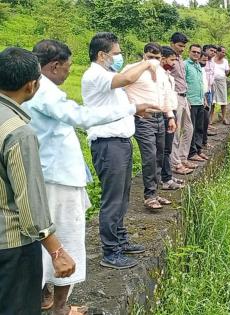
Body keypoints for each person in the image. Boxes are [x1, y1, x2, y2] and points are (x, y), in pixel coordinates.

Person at [22, 39, 156, 314]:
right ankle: (61, 306)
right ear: (54, 65)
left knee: (44, 236)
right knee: (67, 238)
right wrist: (132, 108)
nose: (69, 72)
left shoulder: (33, 88)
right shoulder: (45, 91)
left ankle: (44, 296)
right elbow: (81, 117)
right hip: (58, 177)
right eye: (67, 66)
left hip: (51, 171)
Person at [0, 47, 75, 315]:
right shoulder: (18, 132)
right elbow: (29, 200)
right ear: (32, 85)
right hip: (11, 245)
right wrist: (56, 252)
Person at [81, 32, 159, 269]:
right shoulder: (94, 75)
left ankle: (120, 240)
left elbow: (115, 106)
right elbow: (126, 80)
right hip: (108, 144)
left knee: (122, 196)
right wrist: (147, 62)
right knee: (113, 199)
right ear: (102, 54)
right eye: (116, 53)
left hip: (121, 142)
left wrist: (136, 109)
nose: (119, 57)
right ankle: (110, 251)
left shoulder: (108, 74)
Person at [123, 43, 177, 210]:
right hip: (143, 119)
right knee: (150, 156)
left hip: (159, 117)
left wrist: (170, 116)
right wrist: (131, 109)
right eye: (150, 57)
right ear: (144, 55)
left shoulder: (162, 73)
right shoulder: (133, 69)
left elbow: (166, 95)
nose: (153, 61)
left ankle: (155, 192)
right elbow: (119, 88)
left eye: (156, 58)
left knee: (159, 155)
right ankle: (149, 196)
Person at [169, 32, 196, 175]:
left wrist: (187, 99)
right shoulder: (168, 59)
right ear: (172, 43)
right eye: (180, 46)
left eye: (184, 46)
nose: (182, 49)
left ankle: (182, 157)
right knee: (176, 131)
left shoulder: (180, 58)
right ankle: (175, 163)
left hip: (184, 97)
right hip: (174, 97)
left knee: (188, 128)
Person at [160, 46, 187, 189]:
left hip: (171, 112)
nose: (173, 63)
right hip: (165, 114)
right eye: (171, 60)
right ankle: (166, 179)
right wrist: (169, 115)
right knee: (164, 148)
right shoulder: (158, 76)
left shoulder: (168, 75)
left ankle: (168, 176)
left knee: (167, 147)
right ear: (163, 59)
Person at [185, 44, 208, 162]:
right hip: (191, 102)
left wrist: (204, 98)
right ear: (189, 52)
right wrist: (186, 99)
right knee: (191, 128)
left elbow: (200, 83)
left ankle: (198, 150)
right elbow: (182, 83)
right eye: (193, 52)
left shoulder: (198, 65)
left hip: (199, 101)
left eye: (198, 53)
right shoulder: (185, 65)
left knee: (200, 127)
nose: (196, 54)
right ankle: (191, 152)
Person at [211, 46, 230, 125]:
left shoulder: (225, 61)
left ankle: (224, 118)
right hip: (212, 82)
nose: (224, 54)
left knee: (223, 101)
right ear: (217, 52)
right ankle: (210, 119)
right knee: (212, 102)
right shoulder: (211, 59)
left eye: (225, 52)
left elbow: (227, 74)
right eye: (222, 52)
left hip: (221, 82)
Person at [202, 44, 217, 139]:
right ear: (205, 50)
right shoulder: (203, 62)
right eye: (211, 50)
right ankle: (204, 130)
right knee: (205, 111)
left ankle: (206, 127)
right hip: (204, 90)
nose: (213, 53)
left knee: (209, 108)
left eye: (215, 52)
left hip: (210, 88)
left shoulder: (212, 63)